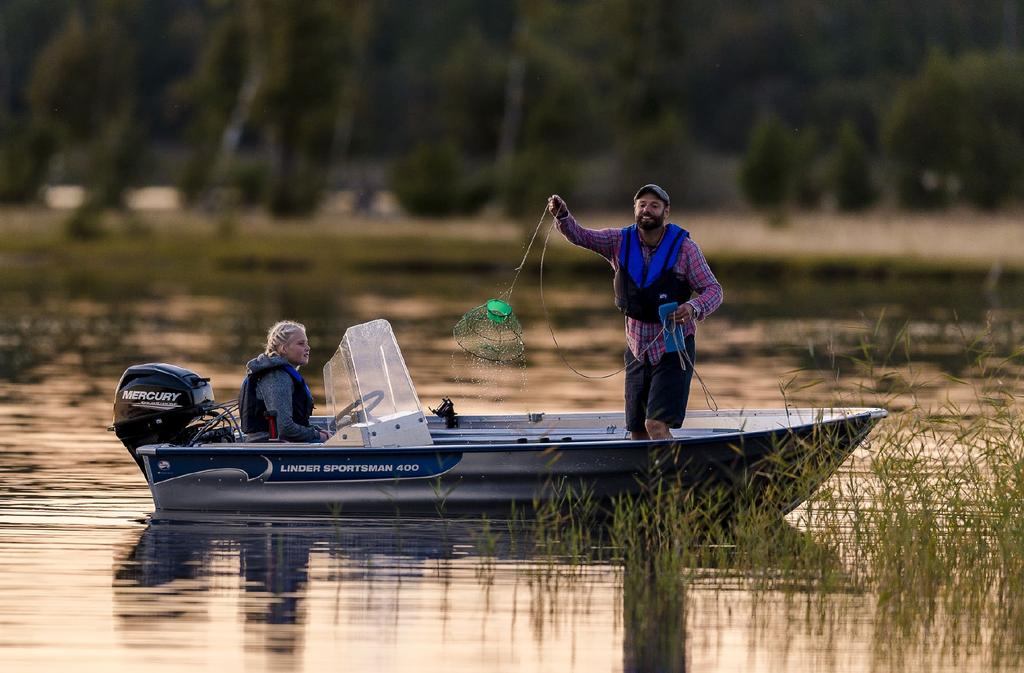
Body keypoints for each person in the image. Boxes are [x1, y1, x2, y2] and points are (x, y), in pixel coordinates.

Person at [547, 185, 723, 440]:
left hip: (674, 348)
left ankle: (674, 478)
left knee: (655, 424)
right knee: (637, 431)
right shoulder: (618, 241)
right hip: (637, 349)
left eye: (654, 205)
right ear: (635, 209)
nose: (647, 210)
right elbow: (581, 236)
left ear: (666, 211)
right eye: (642, 204)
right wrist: (562, 216)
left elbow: (714, 290)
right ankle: (645, 480)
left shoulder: (686, 249)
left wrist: (693, 307)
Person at [239, 320, 330, 443]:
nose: (308, 348)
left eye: (307, 343)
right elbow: (285, 429)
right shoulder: (276, 377)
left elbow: (293, 423)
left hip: (284, 443)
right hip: (270, 447)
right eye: (301, 343)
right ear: (283, 348)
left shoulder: (284, 373)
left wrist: (317, 430)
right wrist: (319, 436)